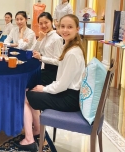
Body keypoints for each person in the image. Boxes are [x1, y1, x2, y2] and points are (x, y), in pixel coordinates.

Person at [15, 14, 86, 151]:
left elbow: (62, 84)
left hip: (69, 98)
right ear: (58, 26)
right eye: (63, 26)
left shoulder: (72, 53)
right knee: (31, 93)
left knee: (24, 97)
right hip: (67, 93)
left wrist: (44, 89)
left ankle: (29, 139)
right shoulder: (70, 47)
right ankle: (36, 131)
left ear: (77, 29)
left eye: (70, 27)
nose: (65, 30)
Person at [31, 12, 63, 86]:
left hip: (52, 72)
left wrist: (41, 58)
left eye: (46, 22)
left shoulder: (57, 39)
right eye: (41, 23)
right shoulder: (44, 35)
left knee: (28, 81)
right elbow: (33, 51)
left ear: (51, 22)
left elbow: (58, 61)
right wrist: (39, 38)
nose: (43, 25)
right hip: (42, 68)